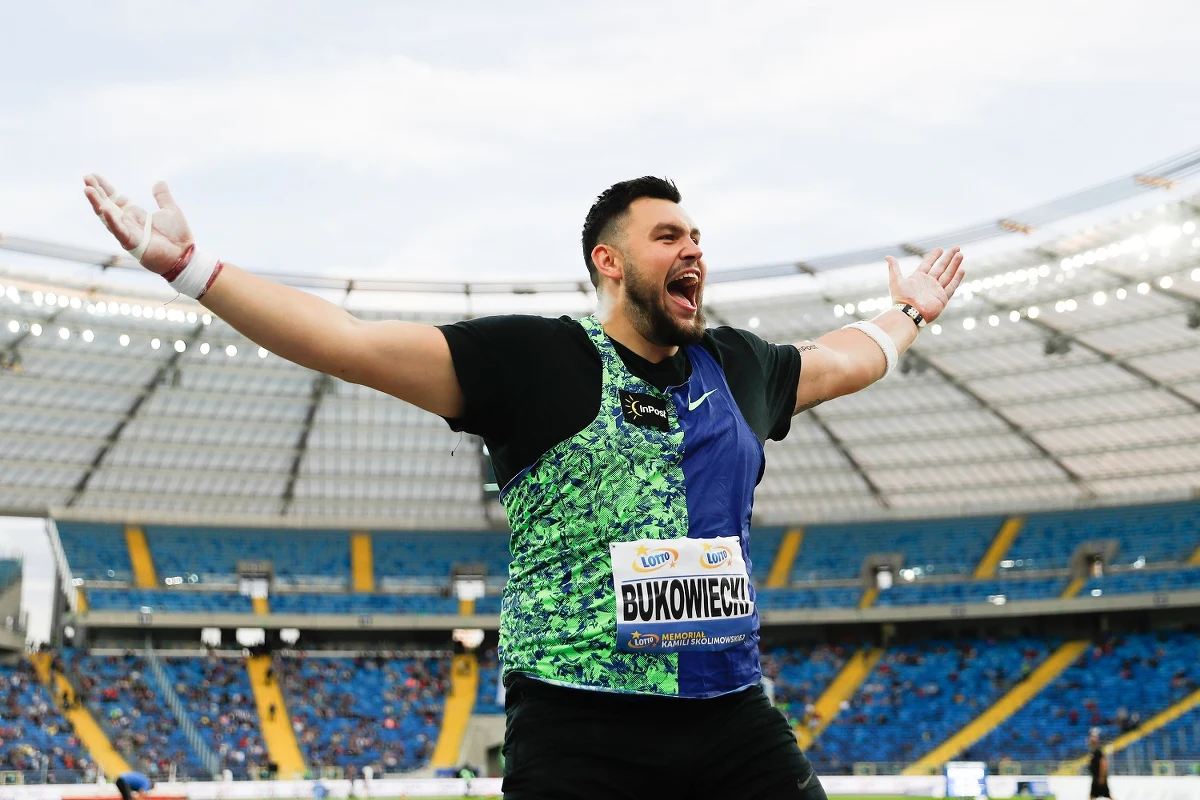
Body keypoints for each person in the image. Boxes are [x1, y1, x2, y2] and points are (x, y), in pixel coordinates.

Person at [83, 174, 965, 800]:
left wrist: (912, 311)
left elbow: (850, 358)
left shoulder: (737, 367)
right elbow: (347, 343)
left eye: (697, 237)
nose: (693, 248)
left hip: (732, 710)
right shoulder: (539, 361)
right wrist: (190, 268)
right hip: (581, 725)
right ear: (608, 263)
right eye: (668, 236)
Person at [1088, 730, 1114, 799]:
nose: (1090, 741)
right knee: (1092, 796)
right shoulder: (1093, 751)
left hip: (1099, 778)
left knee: (1107, 795)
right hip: (1096, 778)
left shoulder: (1098, 751)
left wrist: (1101, 777)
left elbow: (1103, 763)